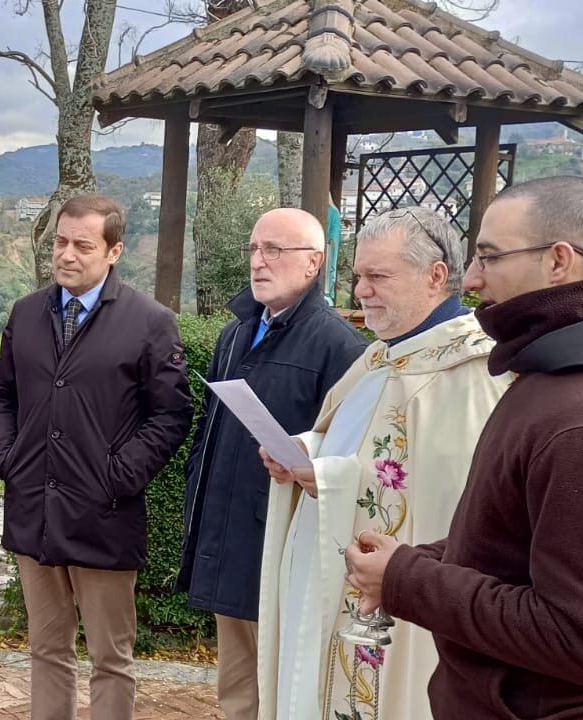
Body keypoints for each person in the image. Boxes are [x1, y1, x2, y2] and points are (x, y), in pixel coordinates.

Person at [346, 176, 583, 720]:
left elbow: (579, 638)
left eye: (489, 257)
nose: (471, 278)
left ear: (559, 261)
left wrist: (406, 580)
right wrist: (415, 561)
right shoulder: (558, 379)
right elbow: (516, 547)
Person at [256, 207, 511, 720]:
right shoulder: (379, 357)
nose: (361, 291)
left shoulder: (476, 373)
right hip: (328, 581)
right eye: (358, 276)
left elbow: (452, 506)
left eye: (378, 276)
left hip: (401, 611)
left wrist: (327, 478)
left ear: (436, 275)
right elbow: (352, 440)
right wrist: (306, 450)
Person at [0, 194, 193, 720]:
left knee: (110, 658)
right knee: (46, 649)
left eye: (83, 245)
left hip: (104, 516)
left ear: (114, 251)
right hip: (33, 510)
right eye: (60, 242)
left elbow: (171, 415)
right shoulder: (26, 313)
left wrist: (117, 476)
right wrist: (7, 457)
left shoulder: (150, 321)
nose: (67, 254)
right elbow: (1, 394)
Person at [177, 209, 366, 719]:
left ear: (313, 263)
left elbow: (349, 452)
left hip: (285, 544)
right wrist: (197, 484)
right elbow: (209, 427)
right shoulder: (236, 333)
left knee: (285, 691)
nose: (258, 262)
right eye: (255, 249)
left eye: (274, 250)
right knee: (236, 688)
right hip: (228, 537)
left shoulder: (340, 346)